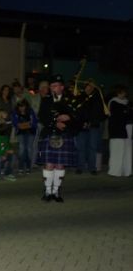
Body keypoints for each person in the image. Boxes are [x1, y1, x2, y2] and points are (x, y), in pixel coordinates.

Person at [37, 75, 76, 203]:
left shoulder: (69, 100)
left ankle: (56, 191)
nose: (52, 88)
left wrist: (69, 117)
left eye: (55, 86)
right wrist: (55, 123)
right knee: (49, 163)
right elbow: (42, 116)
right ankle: (48, 191)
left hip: (64, 134)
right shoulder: (46, 100)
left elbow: (77, 116)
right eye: (51, 86)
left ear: (62, 87)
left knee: (60, 164)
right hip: (50, 133)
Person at [74, 80, 108, 175]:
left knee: (92, 147)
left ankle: (92, 167)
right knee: (81, 147)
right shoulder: (80, 97)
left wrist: (92, 122)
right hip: (81, 126)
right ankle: (80, 167)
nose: (89, 88)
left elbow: (100, 112)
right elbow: (77, 112)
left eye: (92, 86)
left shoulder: (97, 97)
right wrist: (82, 122)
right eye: (88, 86)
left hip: (94, 126)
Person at [107, 85, 133, 177]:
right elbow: (116, 116)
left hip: (128, 129)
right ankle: (115, 171)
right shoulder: (113, 102)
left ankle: (127, 171)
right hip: (117, 130)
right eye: (121, 92)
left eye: (124, 92)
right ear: (117, 93)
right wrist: (126, 112)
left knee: (127, 150)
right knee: (116, 150)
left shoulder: (128, 103)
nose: (123, 94)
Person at [11, 99, 38, 174]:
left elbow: (33, 123)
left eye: (23, 106)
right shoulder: (15, 112)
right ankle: (21, 167)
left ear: (26, 106)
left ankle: (28, 167)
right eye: (20, 106)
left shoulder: (30, 111)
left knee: (29, 149)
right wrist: (26, 124)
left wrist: (23, 125)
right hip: (20, 133)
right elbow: (16, 124)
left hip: (31, 132)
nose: (21, 108)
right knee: (22, 149)